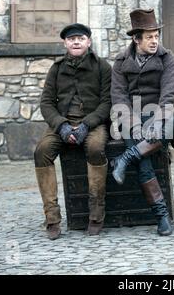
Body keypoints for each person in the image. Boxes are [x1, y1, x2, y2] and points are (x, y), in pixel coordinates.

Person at [34, 23, 111, 240]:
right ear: (65, 43)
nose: (76, 42)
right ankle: (52, 218)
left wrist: (86, 124)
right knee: (42, 151)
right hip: (61, 123)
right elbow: (46, 103)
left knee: (96, 148)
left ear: (88, 42)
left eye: (80, 38)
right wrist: (62, 125)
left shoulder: (102, 67)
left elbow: (107, 102)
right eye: (71, 39)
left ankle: (96, 214)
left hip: (93, 123)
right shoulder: (56, 68)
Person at [111, 9, 174, 236]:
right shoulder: (121, 62)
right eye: (149, 37)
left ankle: (124, 159)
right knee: (144, 159)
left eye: (156, 36)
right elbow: (119, 98)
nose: (154, 41)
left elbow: (169, 95)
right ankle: (161, 216)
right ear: (136, 38)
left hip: (159, 115)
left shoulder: (168, 58)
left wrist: (157, 122)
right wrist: (134, 125)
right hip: (130, 117)